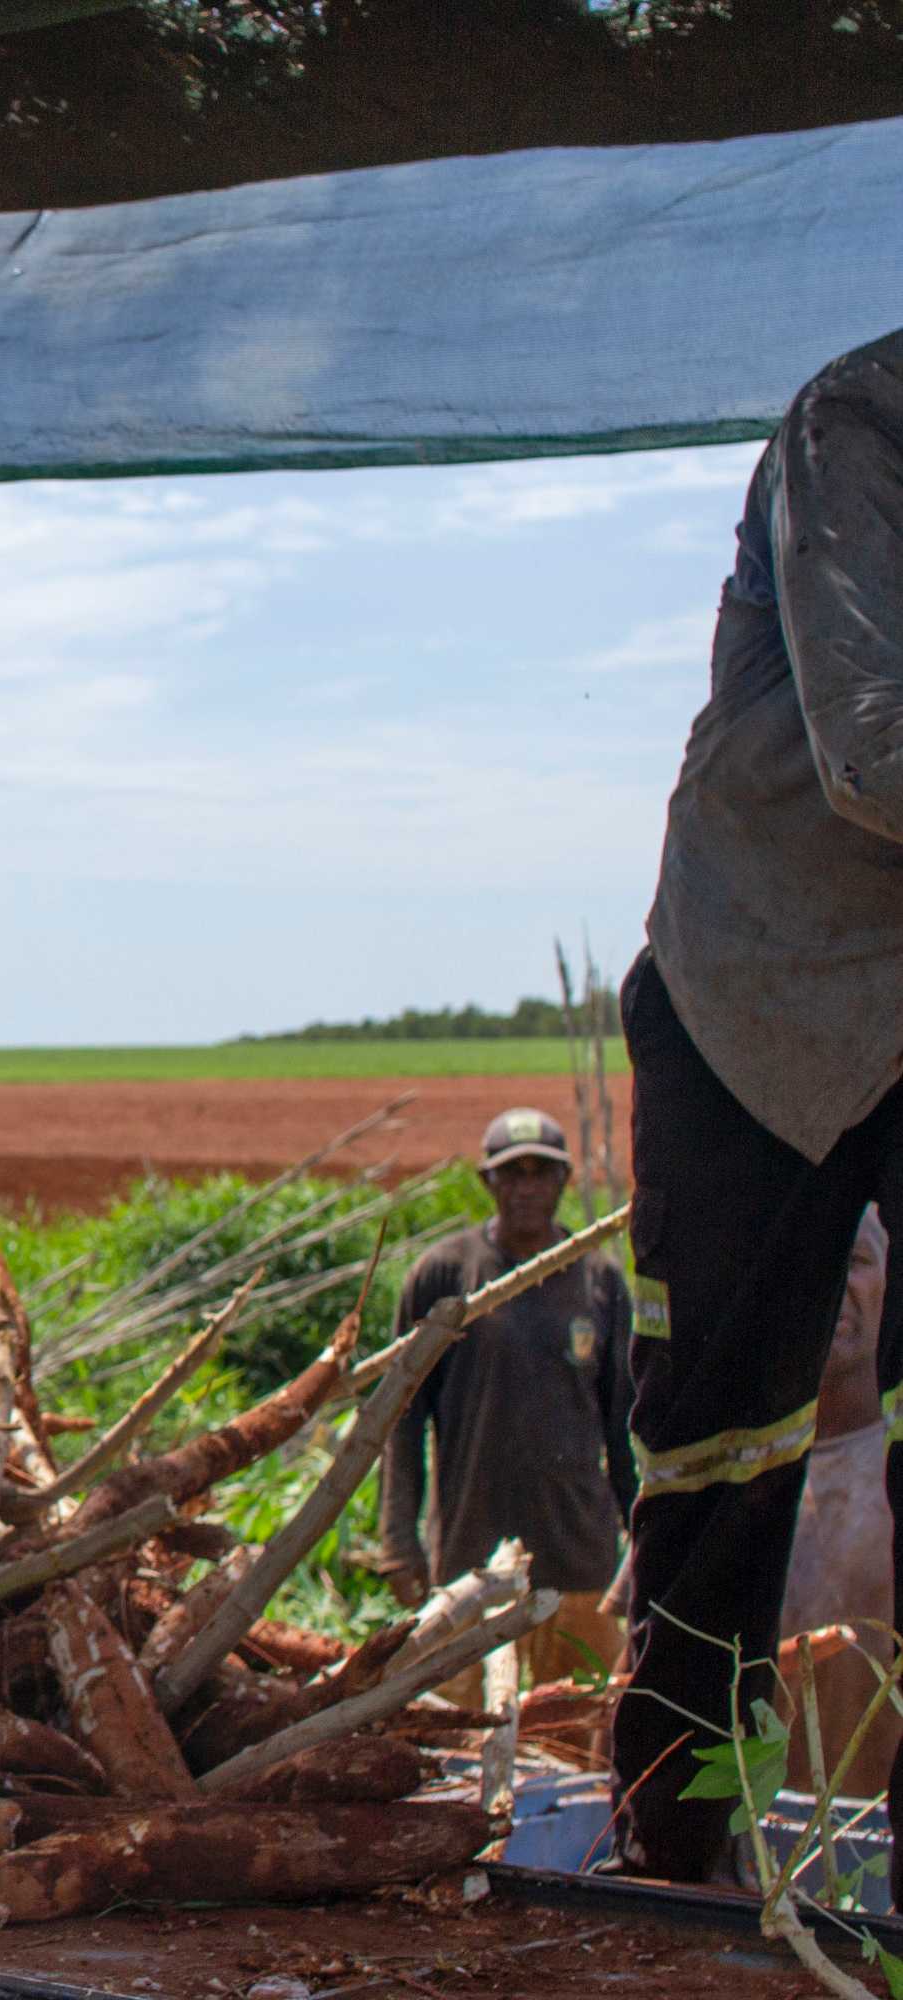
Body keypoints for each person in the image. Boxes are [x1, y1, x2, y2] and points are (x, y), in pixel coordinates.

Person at [613, 325, 903, 1882]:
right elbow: (875, 752)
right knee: (726, 1458)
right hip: (761, 999)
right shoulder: (865, 423)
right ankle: (684, 1844)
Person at [375, 1108, 635, 1693]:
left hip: (577, 1563)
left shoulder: (598, 1280)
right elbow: (402, 1419)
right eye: (510, 1175)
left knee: (574, 1731)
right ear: (487, 1182)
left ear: (563, 1182)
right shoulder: (444, 1275)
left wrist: (640, 1535)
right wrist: (399, 1541)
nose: (525, 1189)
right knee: (463, 1738)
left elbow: (622, 1425)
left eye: (540, 1174)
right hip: (472, 1560)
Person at [775, 1210, 900, 1793]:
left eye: (851, 1262)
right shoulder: (726, 1472)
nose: (828, 1281)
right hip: (750, 1861)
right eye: (811, 1261)